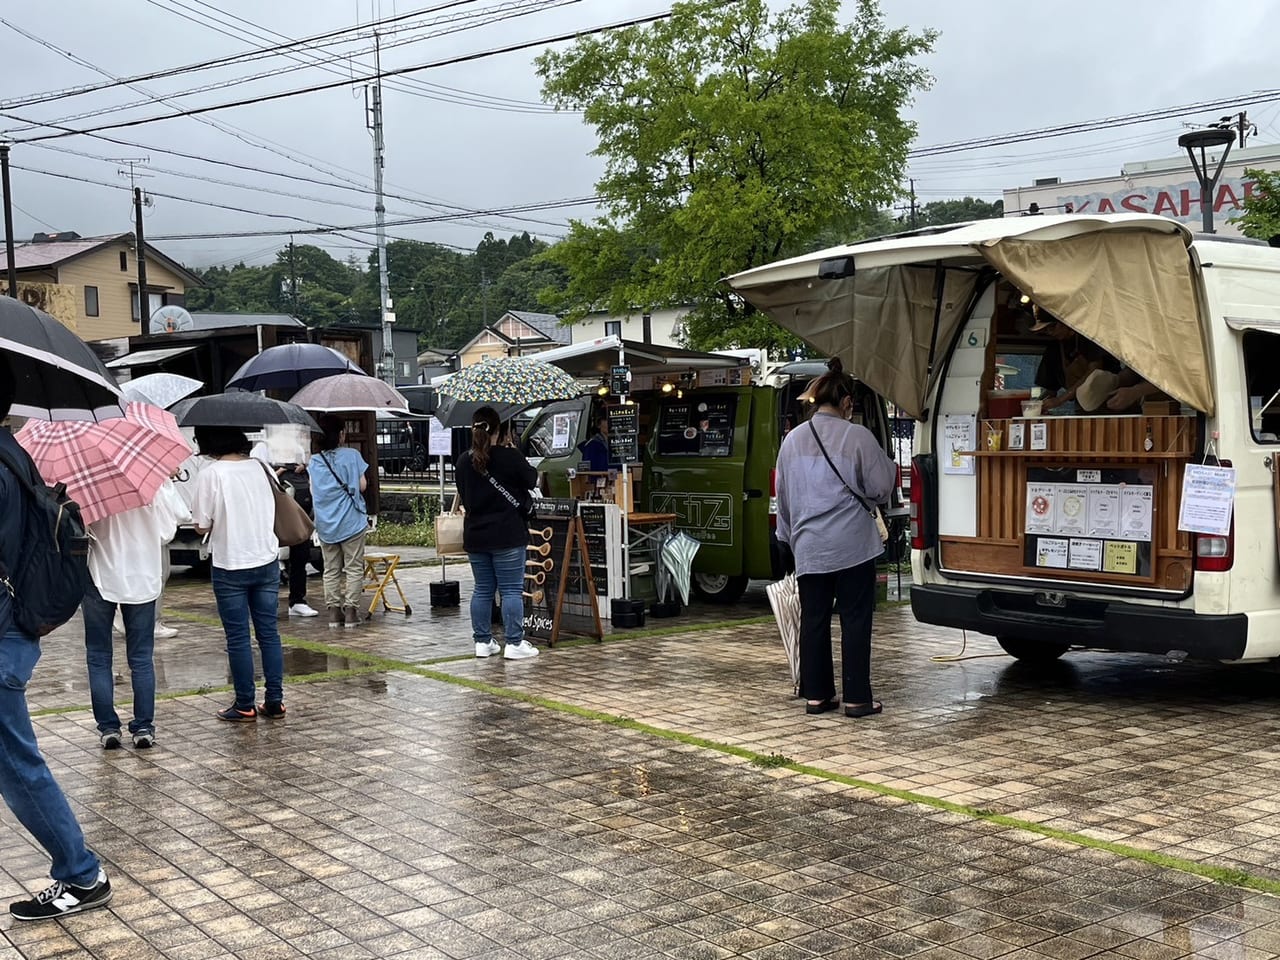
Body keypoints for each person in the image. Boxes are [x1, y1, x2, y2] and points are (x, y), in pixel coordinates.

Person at [0, 373, 112, 920]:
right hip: (13, 632)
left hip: (0, 639)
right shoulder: (15, 459)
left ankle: (81, 874)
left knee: (17, 764)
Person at [775, 358, 896, 719]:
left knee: (814, 619)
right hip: (852, 545)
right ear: (846, 403)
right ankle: (857, 698)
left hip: (810, 545)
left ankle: (817, 696)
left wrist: (789, 537)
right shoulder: (857, 436)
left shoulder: (791, 441)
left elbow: (784, 497)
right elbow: (879, 488)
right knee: (855, 619)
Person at [83, 480, 187, 750]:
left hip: (100, 577)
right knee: (141, 658)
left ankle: (108, 728)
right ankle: (143, 727)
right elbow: (167, 531)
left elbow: (80, 531)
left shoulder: (90, 484)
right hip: (143, 576)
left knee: (98, 656)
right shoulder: (149, 482)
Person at [191, 426, 285, 722]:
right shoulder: (261, 467)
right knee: (269, 633)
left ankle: (244, 703)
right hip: (266, 559)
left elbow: (201, 525)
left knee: (238, 637)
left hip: (231, 563)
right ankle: (275, 701)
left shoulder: (211, 473)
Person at [456, 405, 540, 660]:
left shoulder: (463, 461)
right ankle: (514, 643)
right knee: (511, 590)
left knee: (482, 589)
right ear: (499, 430)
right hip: (507, 534)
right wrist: (514, 451)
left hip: (476, 535)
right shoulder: (509, 457)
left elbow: (465, 495)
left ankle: (482, 641)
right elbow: (532, 479)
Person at [308, 415, 369, 629]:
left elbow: (313, 491)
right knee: (353, 568)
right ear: (341, 434)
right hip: (351, 521)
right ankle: (351, 612)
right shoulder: (352, 455)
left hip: (325, 523)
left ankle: (333, 613)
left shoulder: (314, 461)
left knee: (331, 569)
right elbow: (362, 486)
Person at [251, 442, 318, 619]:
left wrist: (302, 467)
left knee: (300, 556)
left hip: (298, 507)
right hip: (274, 509)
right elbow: (259, 478)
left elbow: (307, 470)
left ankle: (298, 601)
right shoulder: (261, 449)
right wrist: (281, 471)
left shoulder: (296, 447)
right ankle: (265, 602)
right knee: (270, 556)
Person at [1032, 311, 1120, 413]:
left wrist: (1061, 399)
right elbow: (1050, 389)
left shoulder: (1090, 337)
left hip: (1113, 400)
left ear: (1065, 322)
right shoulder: (1053, 350)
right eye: (1045, 330)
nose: (1050, 332)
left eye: (1052, 327)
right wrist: (1037, 405)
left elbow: (1094, 371)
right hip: (1082, 406)